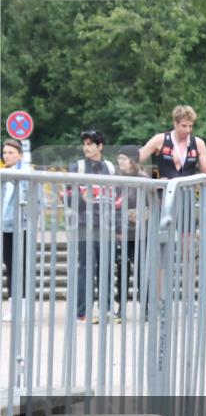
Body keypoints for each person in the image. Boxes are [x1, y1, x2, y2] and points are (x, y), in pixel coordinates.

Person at [69, 130, 117, 322]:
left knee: (105, 266)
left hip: (106, 223)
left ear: (100, 146)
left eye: (90, 144)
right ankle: (82, 312)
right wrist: (80, 198)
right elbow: (67, 195)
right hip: (84, 223)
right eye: (85, 144)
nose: (86, 147)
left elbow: (117, 195)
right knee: (86, 266)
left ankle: (105, 309)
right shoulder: (77, 167)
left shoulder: (110, 167)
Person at [114, 145, 150, 319]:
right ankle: (121, 306)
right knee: (122, 269)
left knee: (143, 269)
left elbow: (153, 202)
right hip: (122, 229)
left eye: (123, 158)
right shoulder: (116, 179)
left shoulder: (143, 178)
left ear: (133, 160)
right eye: (119, 158)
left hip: (141, 229)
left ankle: (146, 307)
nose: (119, 161)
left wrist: (144, 216)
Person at [139, 105, 206, 179]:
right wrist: (147, 177)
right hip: (164, 191)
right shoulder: (159, 140)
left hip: (188, 192)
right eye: (184, 126)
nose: (188, 130)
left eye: (190, 126)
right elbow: (135, 160)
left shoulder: (199, 144)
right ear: (175, 124)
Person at [2, 139, 29, 321]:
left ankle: (24, 307)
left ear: (19, 155)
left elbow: (36, 201)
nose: (7, 155)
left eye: (11, 152)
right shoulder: (3, 175)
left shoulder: (27, 173)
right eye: (4, 152)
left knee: (23, 267)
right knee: (10, 267)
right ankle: (13, 308)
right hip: (6, 227)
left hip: (23, 227)